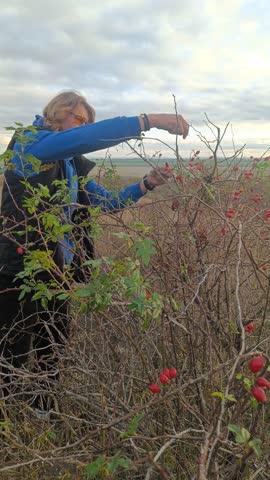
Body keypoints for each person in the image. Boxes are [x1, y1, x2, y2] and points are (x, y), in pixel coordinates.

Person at [0, 90, 189, 415]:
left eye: (87, 121)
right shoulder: (30, 144)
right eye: (79, 119)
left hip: (58, 270)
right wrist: (148, 121)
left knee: (52, 343)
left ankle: (42, 410)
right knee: (12, 349)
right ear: (57, 113)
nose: (83, 126)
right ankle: (9, 427)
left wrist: (148, 183)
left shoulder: (71, 166)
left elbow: (110, 202)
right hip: (20, 268)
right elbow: (82, 140)